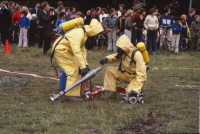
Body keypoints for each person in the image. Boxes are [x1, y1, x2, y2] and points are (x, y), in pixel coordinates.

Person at [52, 19, 103, 101]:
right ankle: (71, 96)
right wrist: (82, 67)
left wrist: (85, 65)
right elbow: (76, 50)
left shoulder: (83, 33)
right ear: (93, 31)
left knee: (77, 69)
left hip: (66, 50)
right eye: (97, 34)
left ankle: (75, 93)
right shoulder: (79, 33)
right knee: (74, 70)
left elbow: (82, 50)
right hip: (61, 50)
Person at [99, 35, 147, 99]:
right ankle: (111, 93)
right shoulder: (123, 52)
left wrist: (135, 89)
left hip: (134, 77)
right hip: (125, 74)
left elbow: (141, 73)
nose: (118, 50)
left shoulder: (137, 55)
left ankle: (138, 89)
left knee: (130, 93)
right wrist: (107, 58)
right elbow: (115, 57)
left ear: (125, 47)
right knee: (109, 70)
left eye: (119, 48)